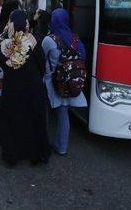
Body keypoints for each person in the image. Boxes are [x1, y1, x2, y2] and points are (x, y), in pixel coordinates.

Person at [0, 9, 50, 167]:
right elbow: (42, 64)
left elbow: (3, 64)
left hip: (12, 87)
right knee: (34, 120)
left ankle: (11, 156)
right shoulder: (32, 40)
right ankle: (36, 155)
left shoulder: (2, 41)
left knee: (12, 121)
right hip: (32, 86)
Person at [41, 8, 87, 156]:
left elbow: (41, 59)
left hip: (50, 82)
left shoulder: (50, 40)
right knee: (63, 114)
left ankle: (43, 144)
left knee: (44, 114)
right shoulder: (76, 39)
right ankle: (62, 147)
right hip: (69, 82)